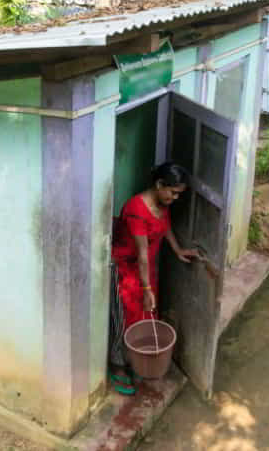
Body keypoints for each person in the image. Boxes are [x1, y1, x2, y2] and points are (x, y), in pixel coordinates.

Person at [109, 162, 199, 394]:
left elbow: (164, 226)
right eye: (174, 192)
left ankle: (137, 359)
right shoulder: (136, 210)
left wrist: (178, 250)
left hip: (145, 270)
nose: (176, 198)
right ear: (159, 185)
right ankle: (118, 366)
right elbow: (140, 254)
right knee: (125, 318)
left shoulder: (162, 202)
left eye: (179, 193)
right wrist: (146, 288)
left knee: (144, 314)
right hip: (126, 268)